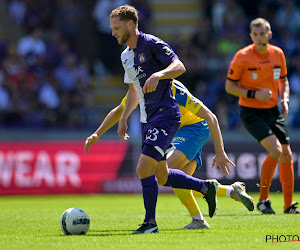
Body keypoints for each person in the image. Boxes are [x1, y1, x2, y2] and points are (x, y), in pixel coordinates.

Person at [104, 5, 233, 234]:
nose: (113, 32)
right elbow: (134, 91)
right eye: (112, 28)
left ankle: (150, 224)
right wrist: (124, 117)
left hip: (166, 114)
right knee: (161, 175)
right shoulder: (126, 56)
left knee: (143, 168)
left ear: (131, 25)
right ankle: (206, 187)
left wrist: (159, 74)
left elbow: (180, 66)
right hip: (147, 118)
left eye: (116, 27)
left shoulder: (152, 44)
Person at [85, 79, 254, 229]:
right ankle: (225, 196)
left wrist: (220, 151)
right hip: (174, 132)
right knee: (179, 180)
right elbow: (119, 110)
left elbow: (211, 116)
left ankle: (202, 208)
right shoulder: (140, 88)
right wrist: (97, 134)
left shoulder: (173, 88)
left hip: (194, 128)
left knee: (168, 169)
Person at [225, 17, 299, 214]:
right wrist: (253, 94)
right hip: (251, 111)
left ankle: (288, 205)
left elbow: (283, 80)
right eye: (255, 34)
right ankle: (263, 200)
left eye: (262, 34)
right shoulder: (242, 57)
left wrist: (284, 99)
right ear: (251, 36)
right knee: (275, 151)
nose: (259, 37)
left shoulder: (278, 54)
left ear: (269, 34)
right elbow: (229, 86)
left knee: (287, 154)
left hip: (272, 110)